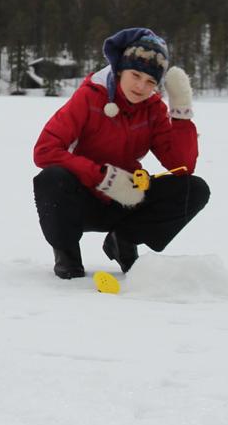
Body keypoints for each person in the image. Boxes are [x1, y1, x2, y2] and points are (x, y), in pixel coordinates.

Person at [31, 27, 210, 279]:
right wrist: (102, 176)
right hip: (83, 200)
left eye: (150, 81)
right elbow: (44, 151)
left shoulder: (153, 109)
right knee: (52, 178)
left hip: (127, 199)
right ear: (119, 69)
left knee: (194, 188)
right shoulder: (89, 97)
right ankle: (66, 253)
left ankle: (124, 239)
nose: (140, 86)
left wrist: (181, 112)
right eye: (135, 75)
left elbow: (182, 165)